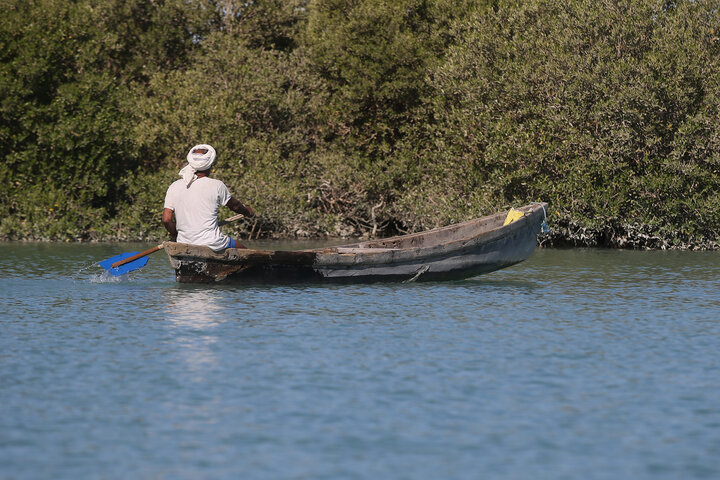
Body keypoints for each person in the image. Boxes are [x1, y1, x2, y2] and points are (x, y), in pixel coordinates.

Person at [163, 144, 254, 251]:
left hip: (183, 243)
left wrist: (175, 235)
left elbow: (166, 219)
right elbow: (235, 206)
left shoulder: (174, 186)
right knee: (244, 250)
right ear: (209, 165)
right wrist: (247, 212)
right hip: (213, 243)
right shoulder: (217, 185)